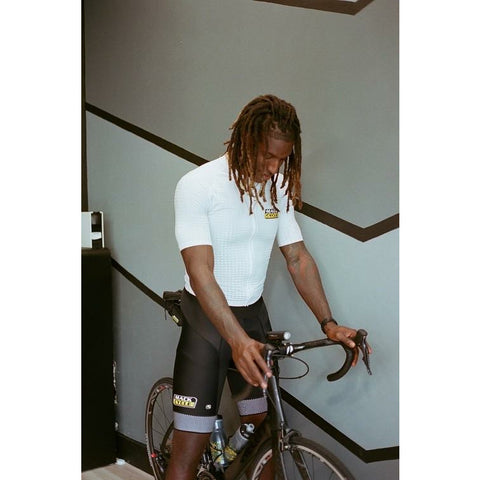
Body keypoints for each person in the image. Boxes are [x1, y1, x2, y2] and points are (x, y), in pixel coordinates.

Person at [166, 94, 371, 480]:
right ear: (243, 140)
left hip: (254, 319)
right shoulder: (197, 185)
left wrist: (329, 322)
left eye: (283, 159)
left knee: (268, 442)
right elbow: (200, 272)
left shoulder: (276, 187)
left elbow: (297, 258)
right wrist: (237, 341)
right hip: (205, 327)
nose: (274, 167)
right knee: (186, 458)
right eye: (266, 156)